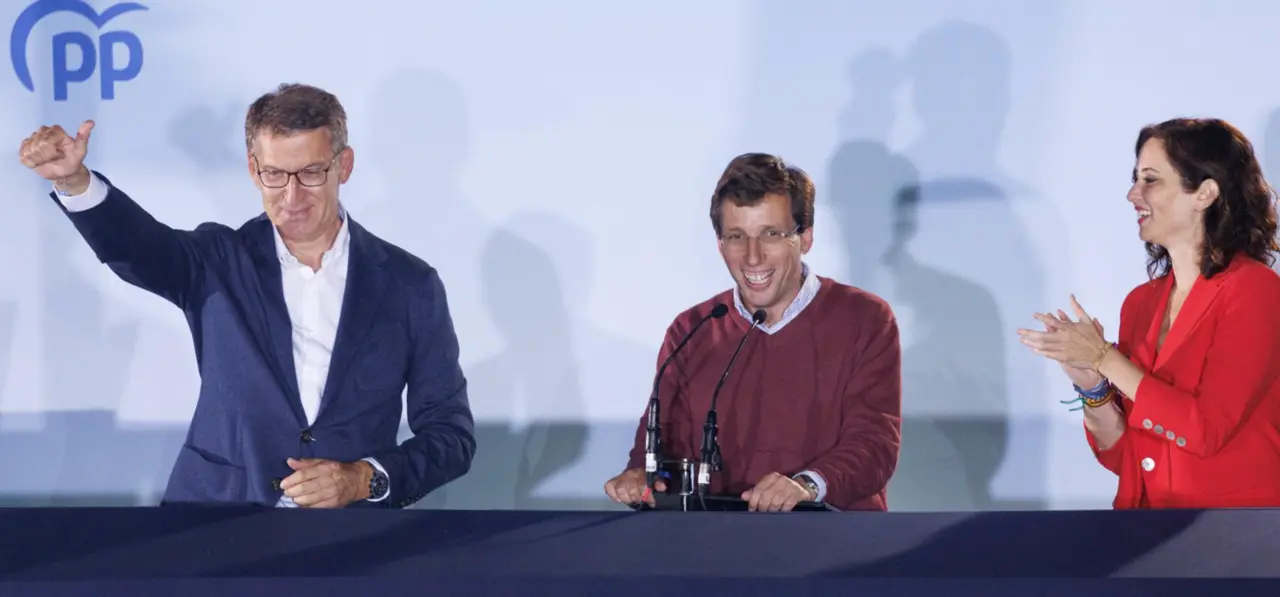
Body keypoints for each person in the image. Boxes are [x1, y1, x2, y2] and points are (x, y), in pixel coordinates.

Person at [17, 83, 475, 508]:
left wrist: (363, 479)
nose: (292, 196)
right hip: (213, 529)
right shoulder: (216, 261)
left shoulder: (410, 285)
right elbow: (137, 248)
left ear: (345, 165)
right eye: (275, 174)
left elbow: (450, 436)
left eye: (312, 172)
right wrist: (75, 182)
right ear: (254, 170)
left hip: (350, 545)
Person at [603, 153, 903, 512]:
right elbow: (658, 447)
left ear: (805, 237)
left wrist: (806, 486)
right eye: (736, 236)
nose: (752, 257)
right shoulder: (693, 329)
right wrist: (640, 478)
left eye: (771, 234)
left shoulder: (864, 318)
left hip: (835, 547)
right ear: (719, 244)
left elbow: (875, 445)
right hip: (718, 551)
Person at [1018, 118, 1280, 509]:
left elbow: (1205, 430)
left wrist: (1104, 358)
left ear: (1205, 192)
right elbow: (1125, 456)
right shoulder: (1140, 304)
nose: (1132, 194)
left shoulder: (1256, 291)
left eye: (1150, 180)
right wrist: (1092, 385)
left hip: (1234, 539)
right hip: (1144, 533)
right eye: (1135, 179)